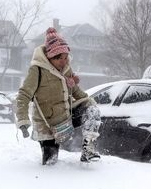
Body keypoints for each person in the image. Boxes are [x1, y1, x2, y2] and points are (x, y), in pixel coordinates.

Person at [16, 27, 101, 165]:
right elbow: (24, 95)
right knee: (51, 162)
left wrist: (90, 102)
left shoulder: (66, 68)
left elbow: (76, 91)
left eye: (66, 57)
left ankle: (88, 149)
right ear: (50, 57)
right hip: (47, 124)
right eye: (59, 58)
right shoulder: (37, 70)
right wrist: (23, 121)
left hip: (67, 116)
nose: (64, 61)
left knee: (92, 110)